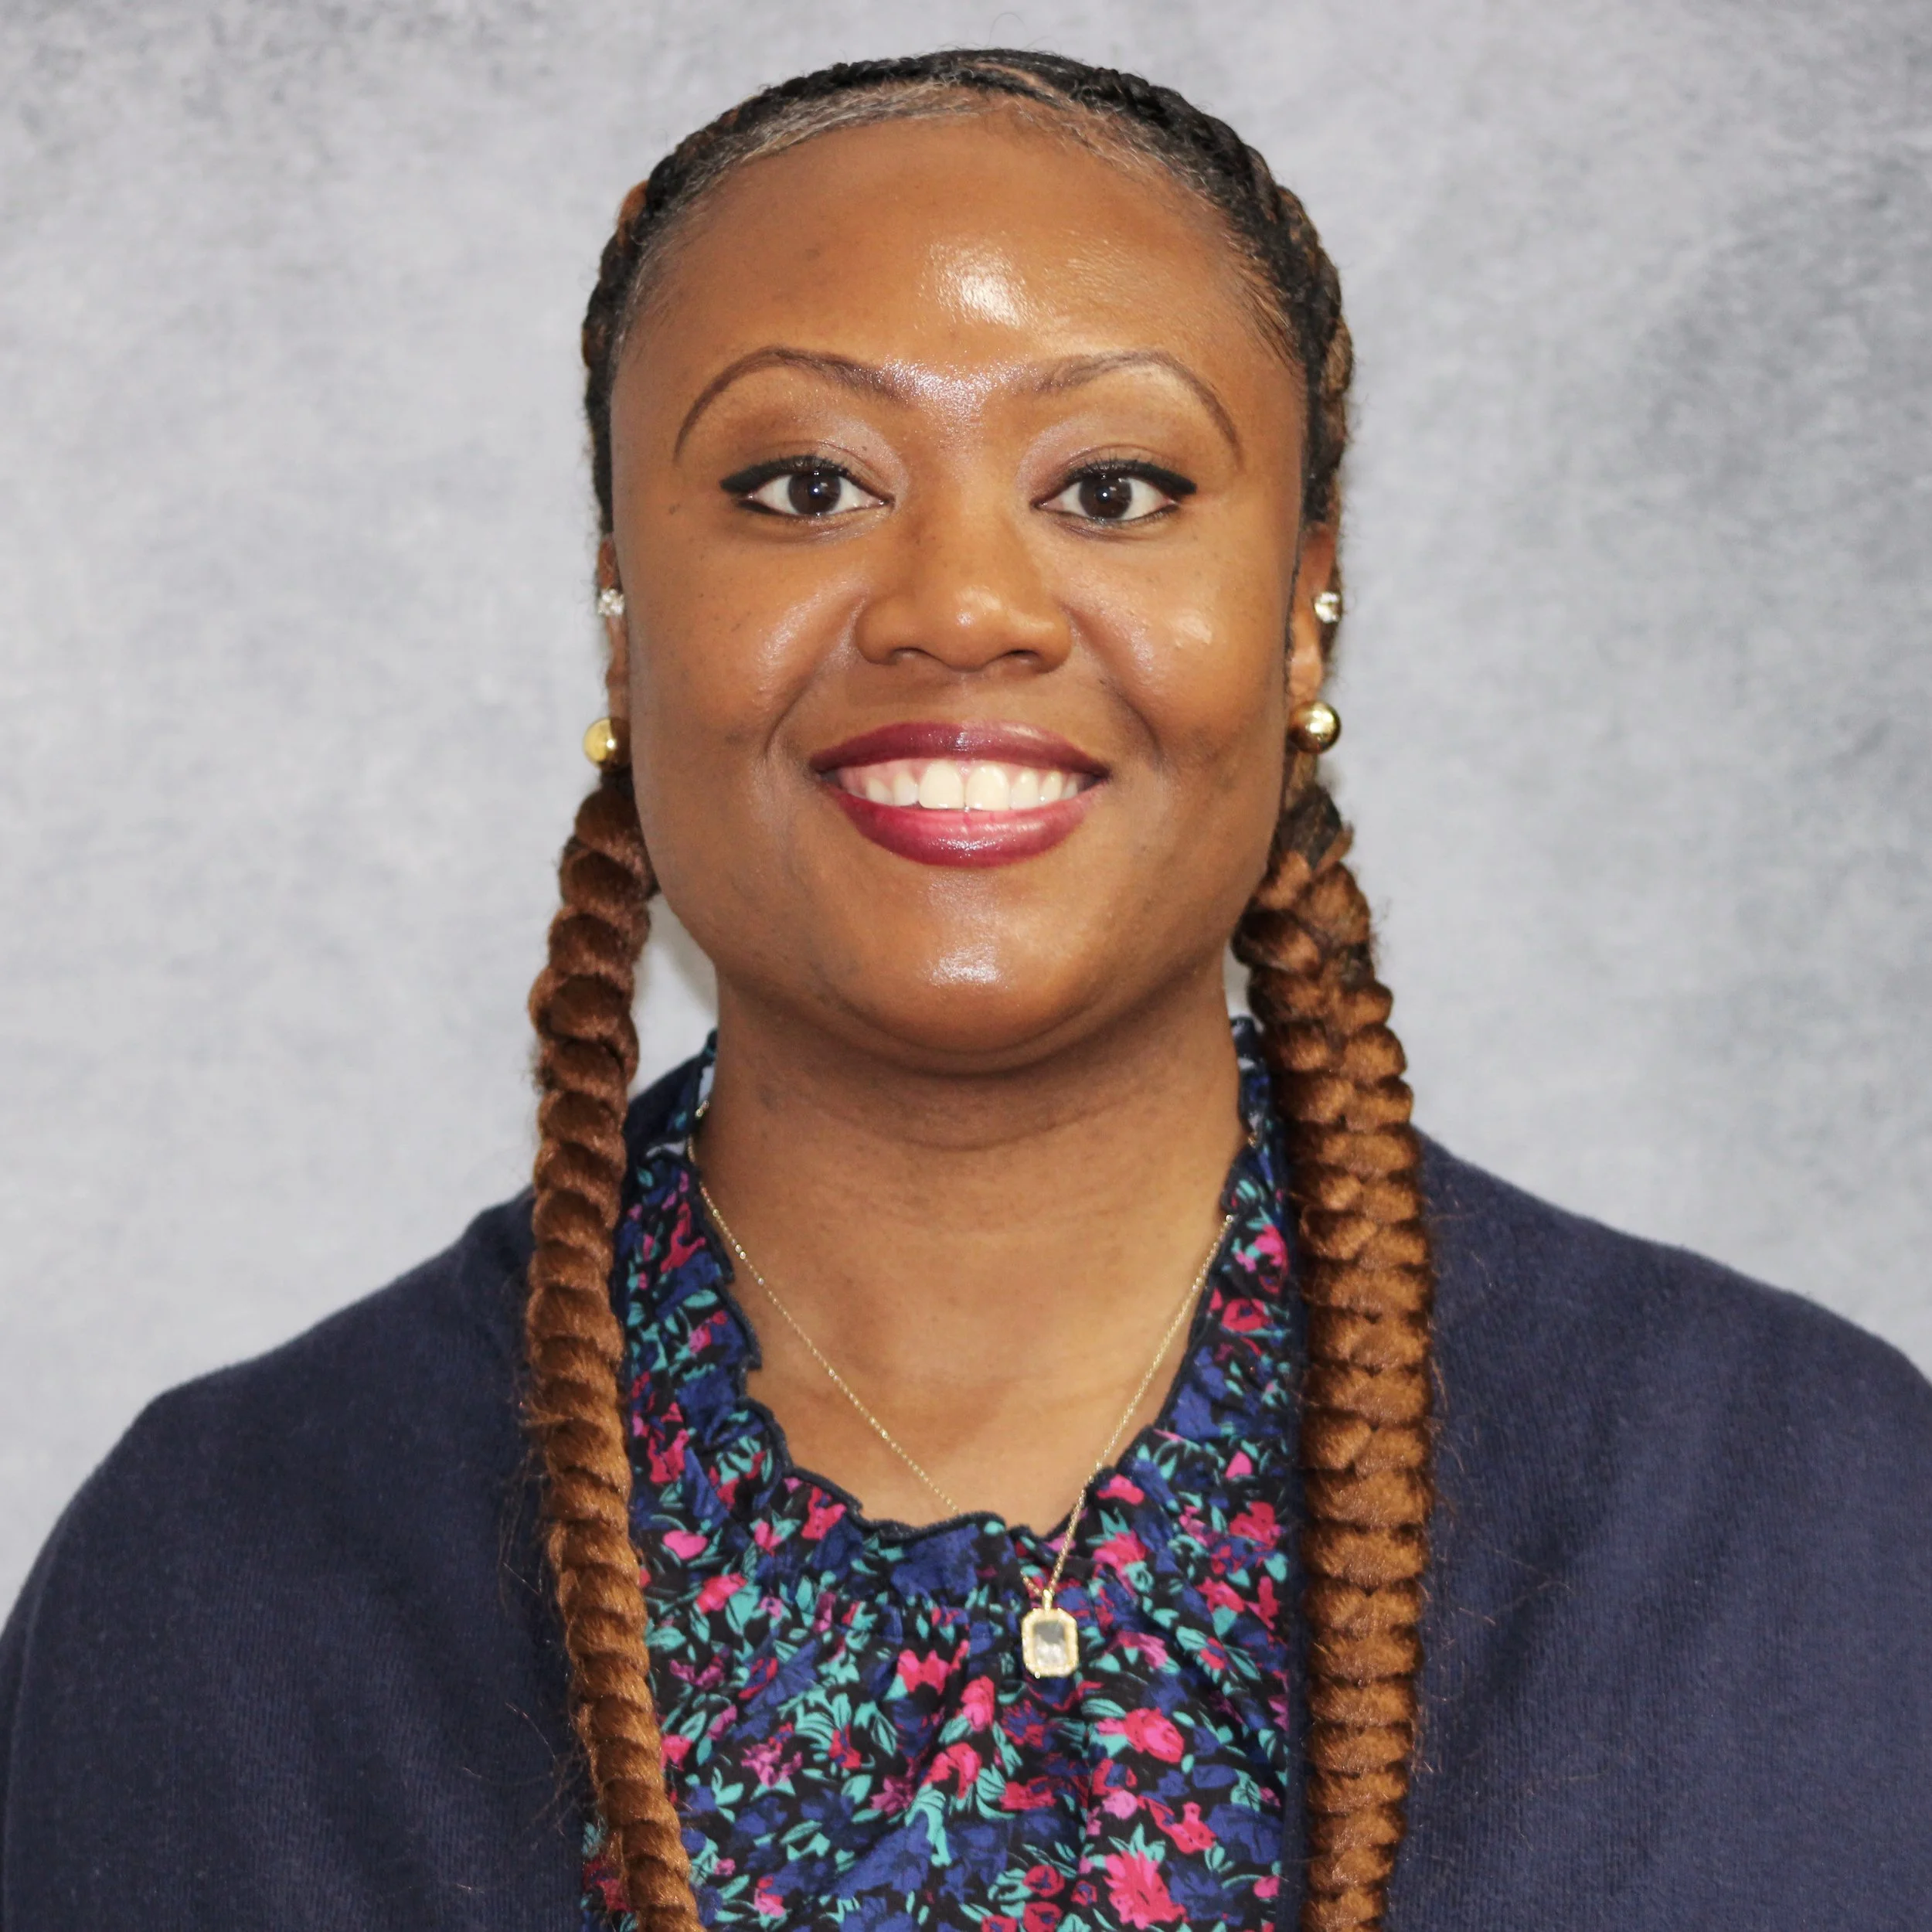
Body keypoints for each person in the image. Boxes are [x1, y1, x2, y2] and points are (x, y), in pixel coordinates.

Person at [2, 47, 1927, 1932]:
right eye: (800, 483)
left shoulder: (1816, 1520)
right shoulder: (215, 1586)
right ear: (620, 607)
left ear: (1300, 605)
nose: (959, 605)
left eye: (1112, 487)